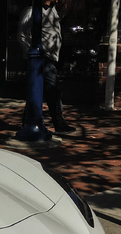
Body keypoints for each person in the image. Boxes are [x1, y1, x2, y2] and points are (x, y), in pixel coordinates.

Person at [18, 0, 75, 134]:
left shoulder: (53, 11)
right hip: (40, 59)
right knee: (53, 91)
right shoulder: (31, 11)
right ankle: (59, 124)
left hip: (50, 57)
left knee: (38, 92)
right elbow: (22, 35)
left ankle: (27, 121)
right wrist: (33, 56)